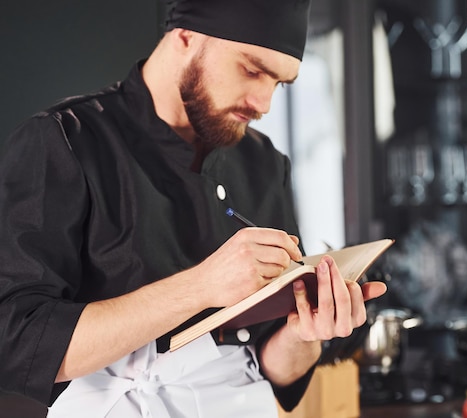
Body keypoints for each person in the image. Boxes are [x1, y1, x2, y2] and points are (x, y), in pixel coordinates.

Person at [0, 0, 387, 416]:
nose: (264, 103)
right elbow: (18, 343)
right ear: (184, 37)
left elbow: (276, 369)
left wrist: (308, 332)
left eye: (279, 83)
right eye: (252, 69)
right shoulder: (63, 141)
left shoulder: (265, 164)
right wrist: (201, 286)